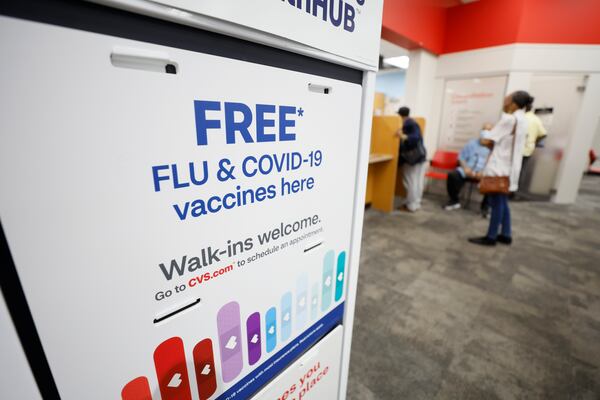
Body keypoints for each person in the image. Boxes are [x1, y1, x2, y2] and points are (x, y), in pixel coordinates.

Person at [468, 91, 530, 246]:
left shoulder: (509, 119)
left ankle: (491, 236)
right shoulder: (522, 119)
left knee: (496, 203)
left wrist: (485, 131)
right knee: (502, 201)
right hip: (508, 167)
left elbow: (486, 140)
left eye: (507, 99)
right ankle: (506, 234)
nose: (504, 100)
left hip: (499, 167)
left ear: (514, 103)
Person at [444, 124, 493, 212]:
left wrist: (483, 172)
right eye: (484, 129)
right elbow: (461, 158)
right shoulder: (472, 143)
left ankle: (485, 207)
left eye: (489, 130)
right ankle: (454, 200)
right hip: (468, 170)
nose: (486, 132)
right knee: (453, 175)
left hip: (483, 173)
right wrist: (465, 168)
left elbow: (493, 164)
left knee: (491, 181)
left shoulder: (493, 148)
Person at [397, 106, 427, 212]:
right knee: (417, 181)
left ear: (400, 115)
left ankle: (411, 205)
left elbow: (414, 138)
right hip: (419, 157)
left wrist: (402, 136)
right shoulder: (413, 122)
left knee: (410, 181)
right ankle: (415, 203)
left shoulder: (408, 124)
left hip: (411, 159)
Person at [517, 97, 547, 195]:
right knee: (522, 171)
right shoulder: (536, 119)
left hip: (517, 149)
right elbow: (543, 133)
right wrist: (534, 140)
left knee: (513, 170)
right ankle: (516, 193)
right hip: (527, 149)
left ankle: (508, 191)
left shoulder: (520, 118)